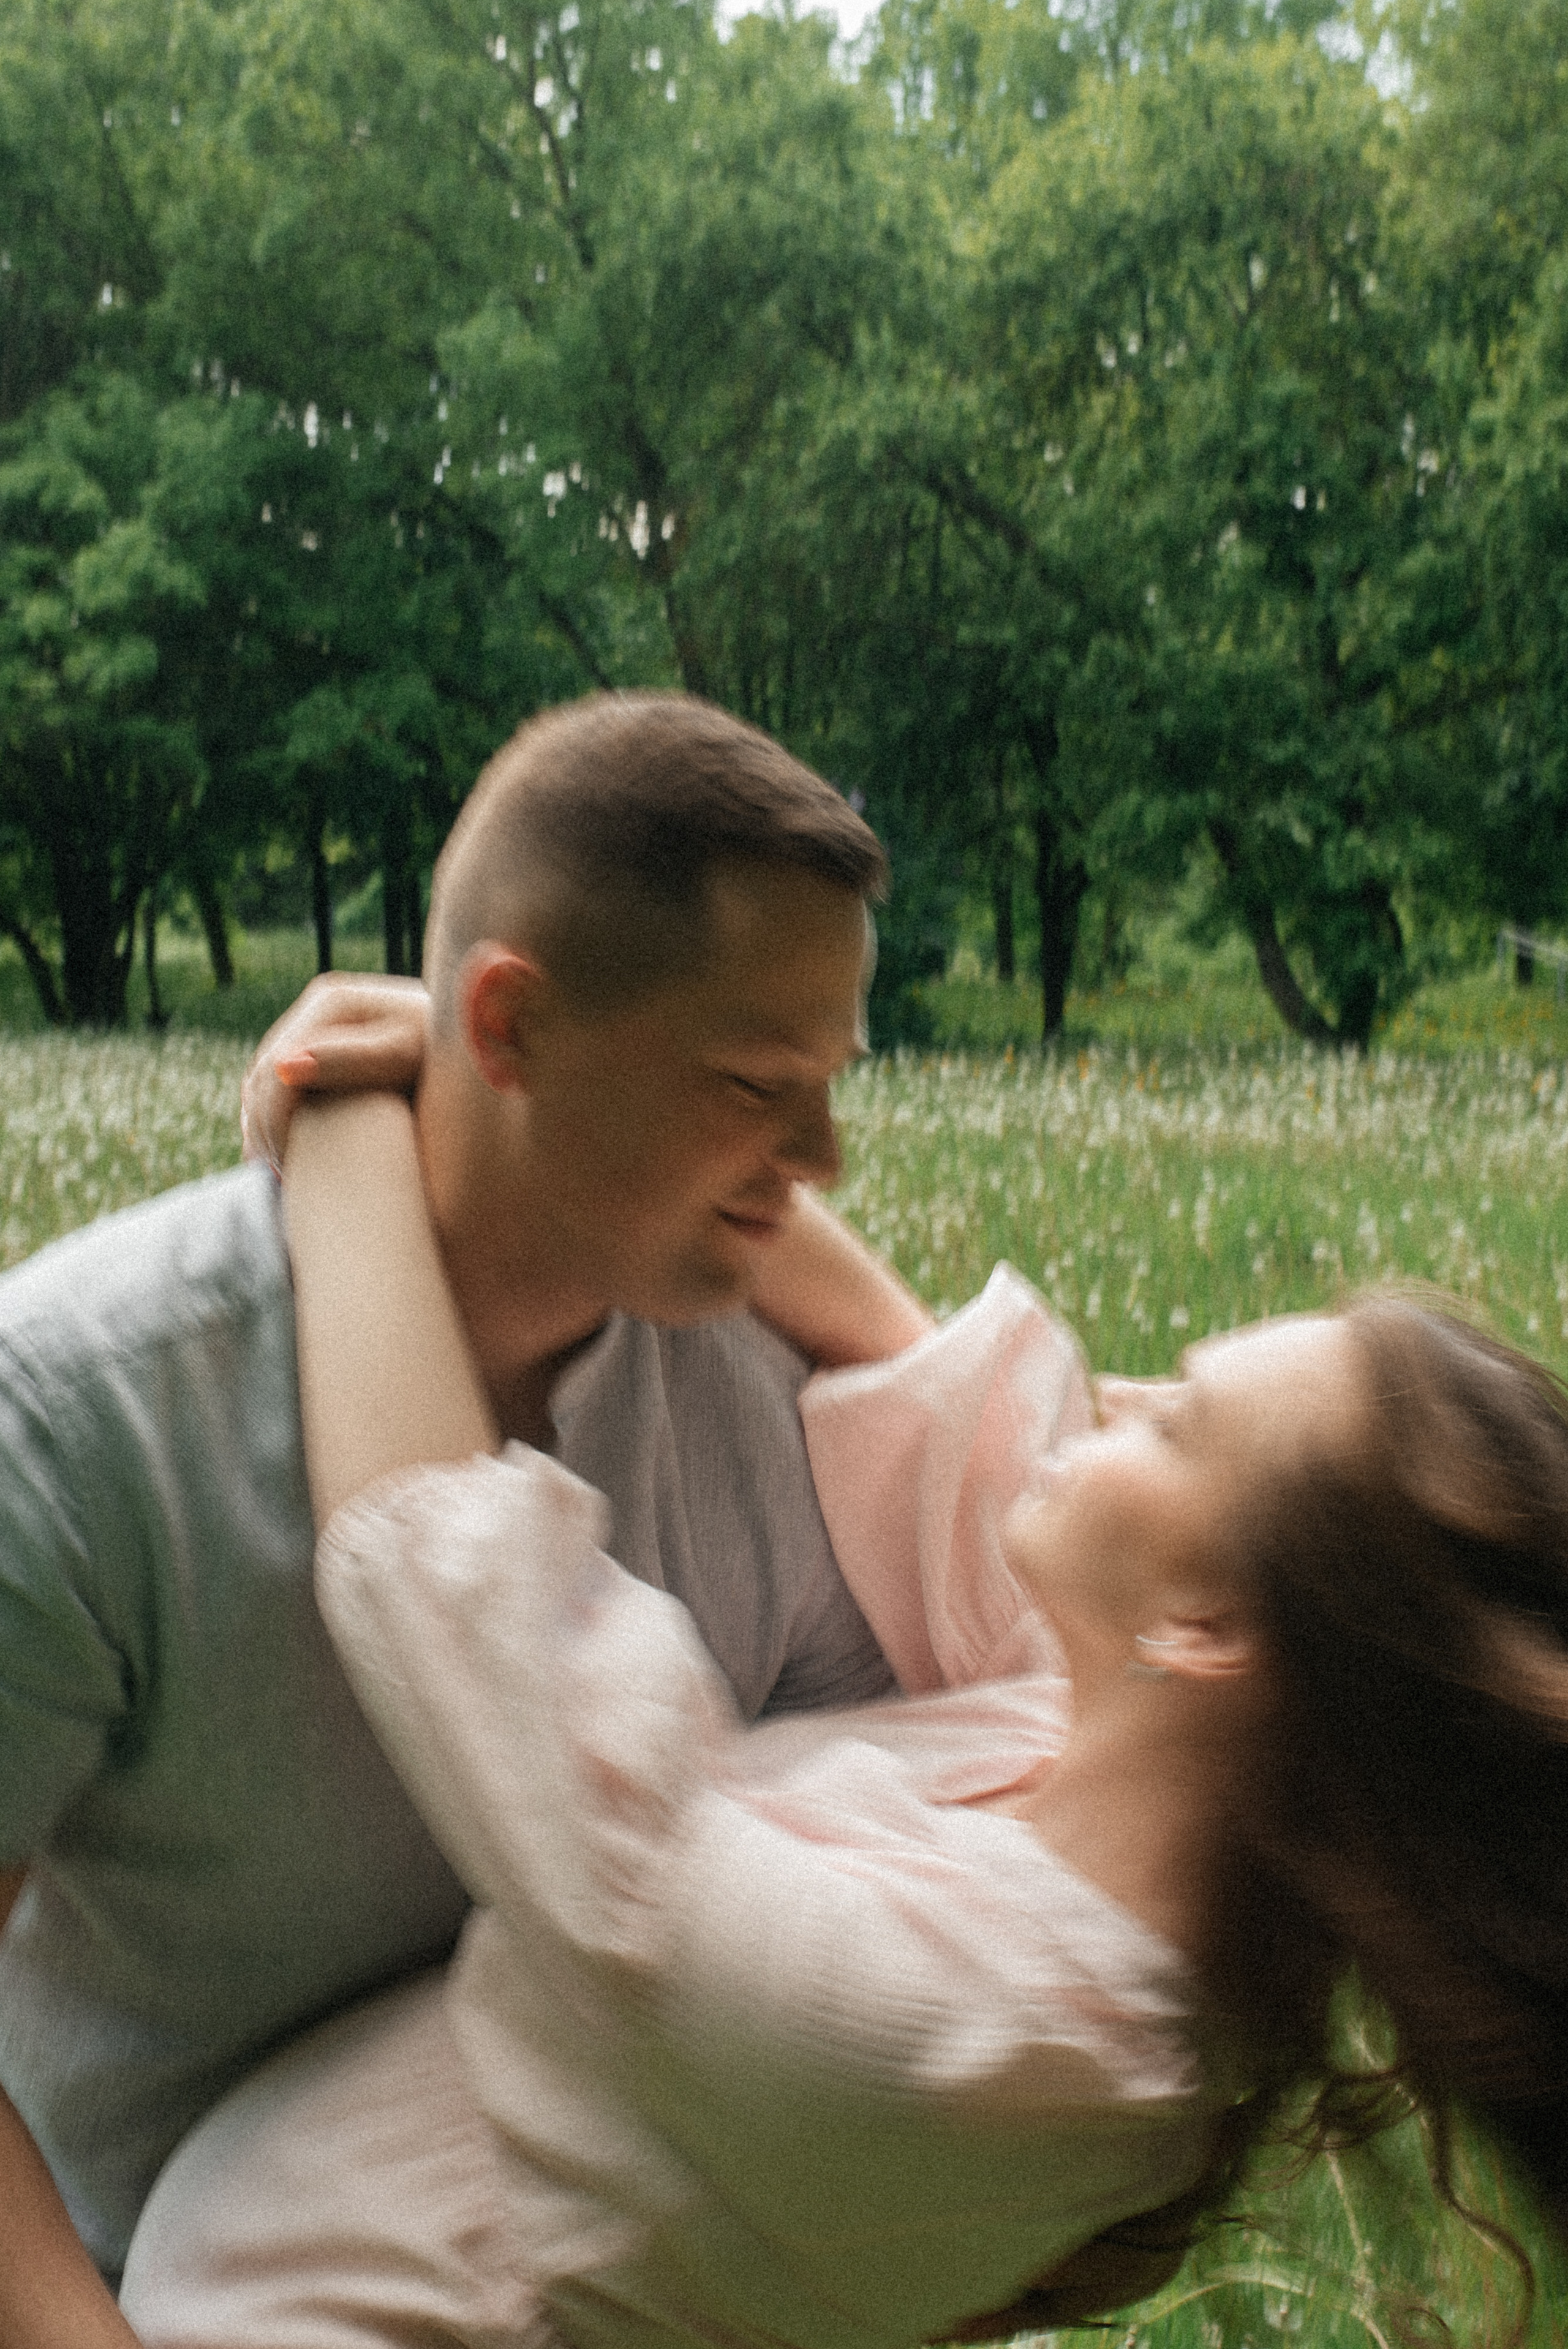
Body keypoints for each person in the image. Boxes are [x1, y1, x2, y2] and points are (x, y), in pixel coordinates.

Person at [119, 1092, 1568, 2349]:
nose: (1111, 1394)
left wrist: (352, 1123)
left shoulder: (970, 2030)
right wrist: (537, 1095)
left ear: (1206, 1630)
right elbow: (928, 1395)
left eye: (1173, 1421)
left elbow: (454, 1584)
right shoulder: (1091, 1760)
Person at [0, 692, 935, 2348]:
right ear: (505, 1026)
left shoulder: (789, 1413)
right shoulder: (82, 1408)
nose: (826, 1154)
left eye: (832, 1080)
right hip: (158, 2291)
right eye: (752, 1081)